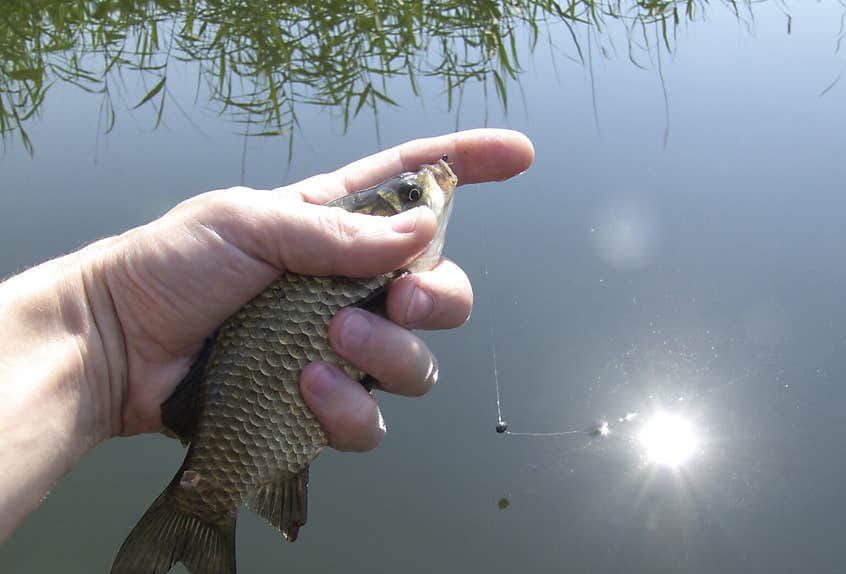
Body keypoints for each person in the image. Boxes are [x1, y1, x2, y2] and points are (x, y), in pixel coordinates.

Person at [0, 128, 534, 543]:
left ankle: (242, 484)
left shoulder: (385, 266)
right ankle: (212, 500)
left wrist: (105, 328)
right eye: (413, 192)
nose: (430, 190)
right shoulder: (363, 253)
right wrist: (108, 324)